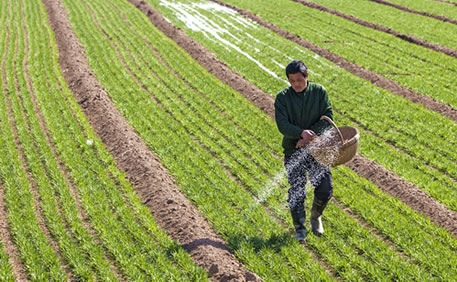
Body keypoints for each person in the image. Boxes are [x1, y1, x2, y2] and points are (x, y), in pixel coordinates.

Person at [274, 60, 334, 243]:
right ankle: (300, 229)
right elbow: (282, 125)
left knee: (325, 187)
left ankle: (316, 217)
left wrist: (309, 137)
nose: (296, 84)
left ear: (306, 76)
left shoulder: (319, 92)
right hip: (294, 150)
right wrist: (300, 134)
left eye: (299, 80)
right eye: (292, 81)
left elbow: (328, 117)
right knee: (297, 192)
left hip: (317, 149)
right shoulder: (282, 98)